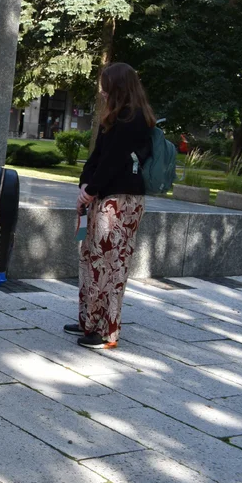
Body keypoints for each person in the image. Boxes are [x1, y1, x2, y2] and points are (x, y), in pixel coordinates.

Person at [68, 62, 155, 349]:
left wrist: (90, 191)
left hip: (120, 202)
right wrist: (85, 185)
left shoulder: (133, 118)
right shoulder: (118, 117)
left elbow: (112, 162)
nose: (102, 91)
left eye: (105, 85)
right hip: (106, 198)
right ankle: (89, 321)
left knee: (110, 264)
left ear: (117, 86)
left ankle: (105, 331)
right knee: (93, 260)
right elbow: (97, 157)